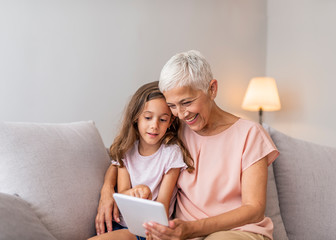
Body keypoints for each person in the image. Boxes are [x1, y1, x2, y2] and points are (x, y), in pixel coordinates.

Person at [96, 50, 279, 240]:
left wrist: (192, 228)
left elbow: (254, 209)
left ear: (212, 89)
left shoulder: (250, 134)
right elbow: (124, 156)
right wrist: (107, 190)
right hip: (183, 235)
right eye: (173, 106)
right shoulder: (173, 130)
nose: (182, 114)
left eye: (187, 102)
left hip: (238, 231)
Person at [90, 81, 194, 240]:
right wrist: (134, 192)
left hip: (147, 231)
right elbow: (123, 192)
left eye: (163, 120)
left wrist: (145, 194)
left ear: (170, 122)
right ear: (136, 117)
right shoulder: (126, 150)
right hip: (119, 223)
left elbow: (163, 207)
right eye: (148, 117)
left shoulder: (171, 154)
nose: (154, 126)